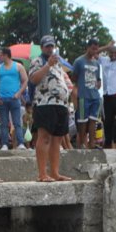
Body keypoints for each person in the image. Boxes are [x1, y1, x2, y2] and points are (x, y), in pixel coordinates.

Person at [28, 35, 73, 182]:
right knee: (44, 137)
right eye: (47, 46)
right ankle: (42, 173)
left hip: (61, 104)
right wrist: (47, 65)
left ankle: (54, 172)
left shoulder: (58, 65)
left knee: (57, 139)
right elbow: (34, 79)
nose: (49, 48)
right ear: (41, 48)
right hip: (44, 103)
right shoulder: (38, 61)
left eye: (51, 46)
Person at [0, 47, 27, 150]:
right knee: (4, 123)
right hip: (2, 98)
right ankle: (5, 144)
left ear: (6, 55)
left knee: (17, 122)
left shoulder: (18, 66)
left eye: (0, 55)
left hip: (14, 98)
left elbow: (25, 80)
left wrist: (19, 93)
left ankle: (20, 142)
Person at [71, 41, 103, 149]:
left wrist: (98, 84)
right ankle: (82, 143)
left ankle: (92, 143)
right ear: (88, 47)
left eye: (96, 49)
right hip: (83, 96)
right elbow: (74, 77)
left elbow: (98, 79)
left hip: (95, 96)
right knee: (82, 121)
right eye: (93, 48)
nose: (94, 51)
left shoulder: (97, 63)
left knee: (93, 120)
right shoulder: (79, 61)